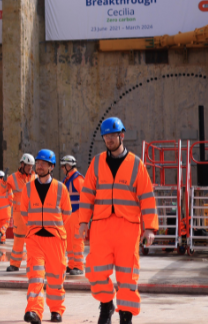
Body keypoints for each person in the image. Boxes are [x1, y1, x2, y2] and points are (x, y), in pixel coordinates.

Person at [78, 117, 158, 324]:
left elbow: (147, 197)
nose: (109, 139)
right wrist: (82, 222)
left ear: (121, 135)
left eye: (113, 135)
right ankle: (106, 306)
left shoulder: (136, 165)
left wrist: (149, 228)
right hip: (101, 226)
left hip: (128, 227)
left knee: (127, 276)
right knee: (95, 271)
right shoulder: (96, 163)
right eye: (106, 136)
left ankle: (126, 315)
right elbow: (87, 195)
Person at [21, 149, 72, 323]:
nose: (39, 165)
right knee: (35, 275)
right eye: (38, 162)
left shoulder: (61, 188)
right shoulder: (28, 188)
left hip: (56, 238)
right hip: (35, 237)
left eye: (43, 163)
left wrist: (54, 227)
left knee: (56, 276)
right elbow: (24, 212)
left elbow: (67, 214)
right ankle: (34, 310)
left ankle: (56, 310)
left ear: (51, 167)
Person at [6, 153, 37, 272]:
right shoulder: (12, 178)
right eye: (28, 166)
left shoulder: (36, 178)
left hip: (32, 215)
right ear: (22, 165)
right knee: (18, 240)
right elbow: (3, 190)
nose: (30, 168)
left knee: (33, 241)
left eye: (31, 166)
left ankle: (33, 264)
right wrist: (2, 183)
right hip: (19, 216)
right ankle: (14, 264)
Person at [61, 155, 85, 275]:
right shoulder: (67, 179)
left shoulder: (78, 179)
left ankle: (79, 266)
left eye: (63, 166)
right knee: (69, 241)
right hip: (69, 216)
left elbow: (86, 198)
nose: (62, 169)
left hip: (77, 215)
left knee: (77, 240)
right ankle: (71, 265)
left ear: (68, 166)